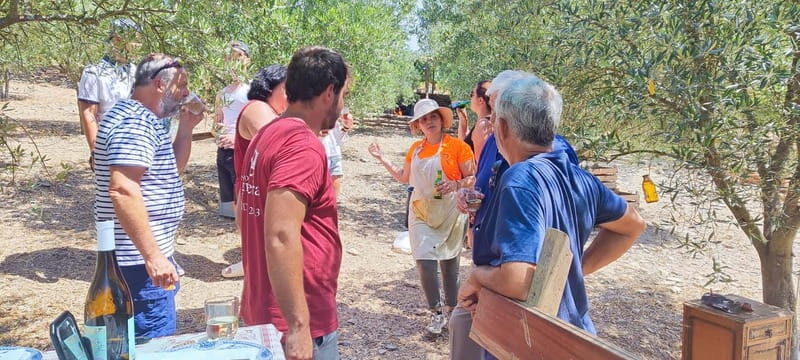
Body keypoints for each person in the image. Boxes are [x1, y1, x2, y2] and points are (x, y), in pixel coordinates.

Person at [456, 76, 646, 358]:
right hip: (570, 332)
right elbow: (632, 225)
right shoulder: (579, 177)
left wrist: (477, 277)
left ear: (504, 127)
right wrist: (575, 270)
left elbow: (516, 281)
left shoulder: (520, 179)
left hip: (527, 338)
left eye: (495, 120)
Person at [237, 46, 348, 360]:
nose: (342, 104)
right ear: (329, 91)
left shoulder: (268, 133)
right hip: (294, 320)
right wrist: (298, 326)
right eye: (343, 94)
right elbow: (281, 235)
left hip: (264, 306)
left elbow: (245, 214)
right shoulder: (302, 146)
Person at [94, 53, 203, 338]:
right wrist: (153, 257)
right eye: (182, 86)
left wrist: (187, 128)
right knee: (150, 345)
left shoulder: (142, 118)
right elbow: (123, 189)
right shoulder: (134, 122)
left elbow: (170, 170)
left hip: (142, 259)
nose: (186, 94)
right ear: (159, 85)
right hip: (138, 265)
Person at [368, 98, 476, 335]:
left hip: (451, 211)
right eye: (424, 119)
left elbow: (472, 178)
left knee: (450, 264)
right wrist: (382, 158)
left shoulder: (458, 147)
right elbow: (404, 178)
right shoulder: (415, 149)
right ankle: (436, 313)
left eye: (433, 117)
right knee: (424, 260)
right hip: (420, 211)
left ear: (441, 120)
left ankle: (451, 311)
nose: (429, 122)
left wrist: (456, 184)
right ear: (418, 126)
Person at [220, 64, 288, 279]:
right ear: (270, 88)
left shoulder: (267, 110)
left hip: (258, 190)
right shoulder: (258, 108)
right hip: (258, 191)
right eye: (287, 89)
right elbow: (280, 145)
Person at [78, 19, 142, 168]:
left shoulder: (136, 71)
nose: (138, 46)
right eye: (135, 40)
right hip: (109, 146)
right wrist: (95, 151)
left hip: (136, 144)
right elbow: (89, 114)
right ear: (118, 39)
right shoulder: (94, 72)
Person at [214, 41, 252, 218]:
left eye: (238, 56)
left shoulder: (252, 91)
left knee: (246, 198)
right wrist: (219, 132)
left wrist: (238, 139)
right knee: (231, 204)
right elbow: (216, 124)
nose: (233, 61)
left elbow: (260, 126)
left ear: (247, 60)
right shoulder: (222, 93)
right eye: (229, 57)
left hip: (243, 150)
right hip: (223, 150)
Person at [319, 109, 355, 196]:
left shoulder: (335, 107)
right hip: (317, 156)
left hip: (334, 154)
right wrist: (315, 132)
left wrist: (346, 127)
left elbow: (336, 136)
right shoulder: (307, 104)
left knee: (333, 199)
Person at [456, 80, 492, 157]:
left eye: (472, 94)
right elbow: (465, 146)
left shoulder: (484, 126)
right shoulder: (487, 122)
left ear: (481, 100)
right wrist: (463, 119)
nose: (470, 98)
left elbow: (480, 163)